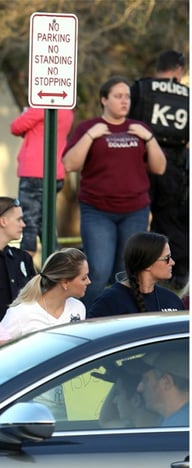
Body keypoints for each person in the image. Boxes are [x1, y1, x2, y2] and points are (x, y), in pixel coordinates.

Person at [63, 76, 166, 305]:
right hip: (98, 211)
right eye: (118, 96)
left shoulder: (139, 129)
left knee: (129, 272)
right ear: (104, 100)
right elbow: (70, 164)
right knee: (98, 271)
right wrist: (91, 136)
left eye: (127, 96)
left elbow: (160, 167)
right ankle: (88, 318)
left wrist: (148, 138)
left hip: (134, 211)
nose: (124, 101)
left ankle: (126, 319)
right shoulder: (88, 128)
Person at [130, 50, 189, 288]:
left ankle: (136, 271)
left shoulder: (142, 89)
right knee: (171, 222)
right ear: (178, 70)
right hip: (173, 167)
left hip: (139, 162)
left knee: (135, 220)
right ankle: (175, 276)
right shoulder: (187, 95)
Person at [9, 106, 75, 255]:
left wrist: (26, 111)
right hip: (55, 172)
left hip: (34, 171)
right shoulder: (67, 112)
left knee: (29, 223)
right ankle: (56, 263)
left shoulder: (40, 108)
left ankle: (24, 267)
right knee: (46, 224)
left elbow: (15, 127)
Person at [88, 231, 184, 317]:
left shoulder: (172, 300)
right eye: (167, 258)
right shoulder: (110, 301)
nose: (172, 262)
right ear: (148, 264)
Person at [1, 248, 90, 338]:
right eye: (84, 278)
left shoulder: (78, 308)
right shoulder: (19, 314)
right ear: (65, 282)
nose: (89, 282)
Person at [137, 350, 189, 427]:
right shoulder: (174, 420)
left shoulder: (179, 426)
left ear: (166, 382)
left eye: (146, 380)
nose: (139, 388)